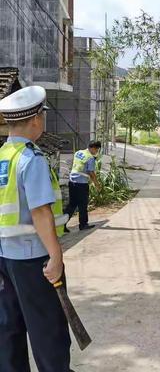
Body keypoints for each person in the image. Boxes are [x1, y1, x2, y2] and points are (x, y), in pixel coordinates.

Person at [0, 86, 72, 372]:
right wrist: (55, 257)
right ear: (35, 120)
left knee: (8, 327)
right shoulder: (31, 159)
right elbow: (41, 211)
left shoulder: (3, 156)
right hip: (33, 259)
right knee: (48, 331)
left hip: (4, 257)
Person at [64, 140, 101, 232]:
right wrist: (97, 184)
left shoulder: (79, 152)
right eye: (97, 150)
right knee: (83, 204)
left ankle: (62, 224)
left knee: (72, 205)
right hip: (81, 184)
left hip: (72, 181)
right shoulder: (90, 158)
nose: (97, 152)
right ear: (93, 148)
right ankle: (83, 224)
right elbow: (91, 172)